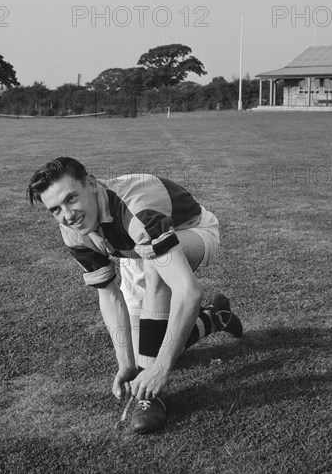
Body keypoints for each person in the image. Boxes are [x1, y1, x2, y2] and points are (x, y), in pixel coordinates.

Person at [27, 157, 243, 434]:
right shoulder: (72, 230)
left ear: (91, 184)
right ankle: (216, 318)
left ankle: (149, 399)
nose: (68, 215)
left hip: (190, 229)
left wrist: (161, 368)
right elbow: (108, 294)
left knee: (155, 332)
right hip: (136, 248)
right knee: (145, 347)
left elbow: (188, 292)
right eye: (55, 209)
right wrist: (126, 364)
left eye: (71, 199)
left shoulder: (136, 210)